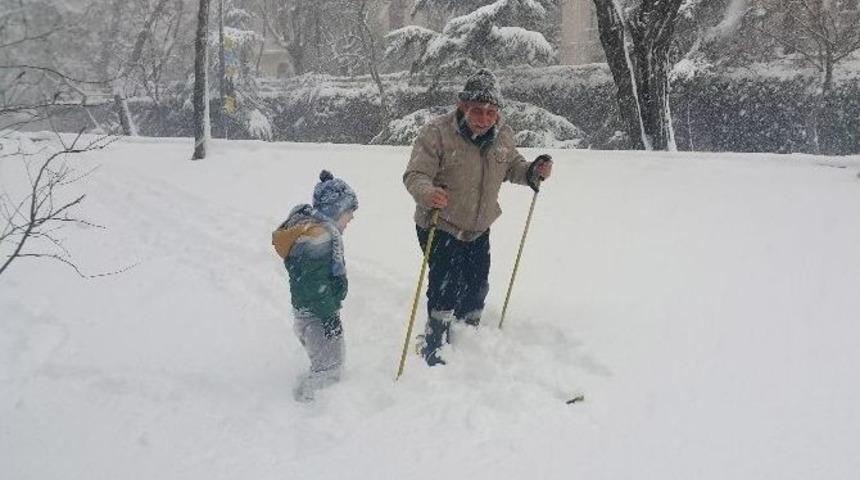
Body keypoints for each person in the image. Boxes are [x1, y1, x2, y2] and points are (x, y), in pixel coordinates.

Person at [403, 68, 553, 366]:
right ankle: (434, 342)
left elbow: (512, 166)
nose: (484, 118)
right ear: (462, 106)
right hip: (440, 224)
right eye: (477, 110)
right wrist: (428, 192)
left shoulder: (503, 135)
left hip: (479, 227)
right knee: (446, 284)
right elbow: (415, 174)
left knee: (476, 285)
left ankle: (468, 338)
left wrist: (532, 172)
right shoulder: (437, 133)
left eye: (490, 111)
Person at [273, 170, 358, 401]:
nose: (351, 219)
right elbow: (314, 284)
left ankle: (311, 400)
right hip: (318, 318)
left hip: (311, 316)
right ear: (335, 209)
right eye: (348, 212)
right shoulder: (318, 238)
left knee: (327, 365)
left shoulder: (316, 231)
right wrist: (329, 316)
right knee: (330, 371)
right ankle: (313, 411)